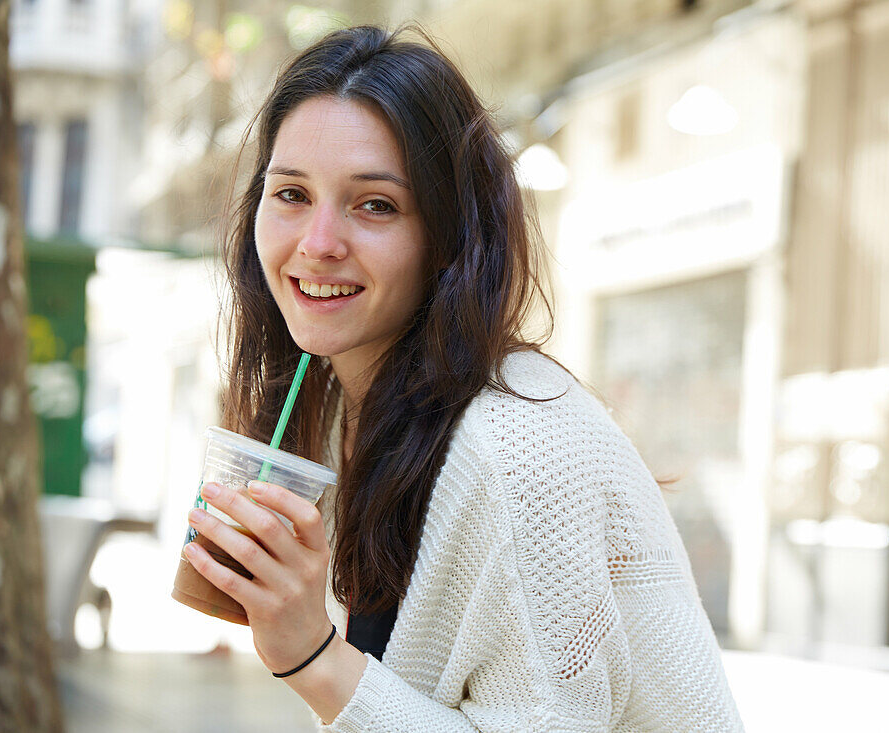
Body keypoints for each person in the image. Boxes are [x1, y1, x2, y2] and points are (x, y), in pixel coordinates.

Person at [180, 24, 744, 732]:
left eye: (374, 204)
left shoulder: (516, 449)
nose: (317, 244)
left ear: (447, 237)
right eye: (291, 193)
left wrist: (314, 656)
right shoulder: (341, 409)